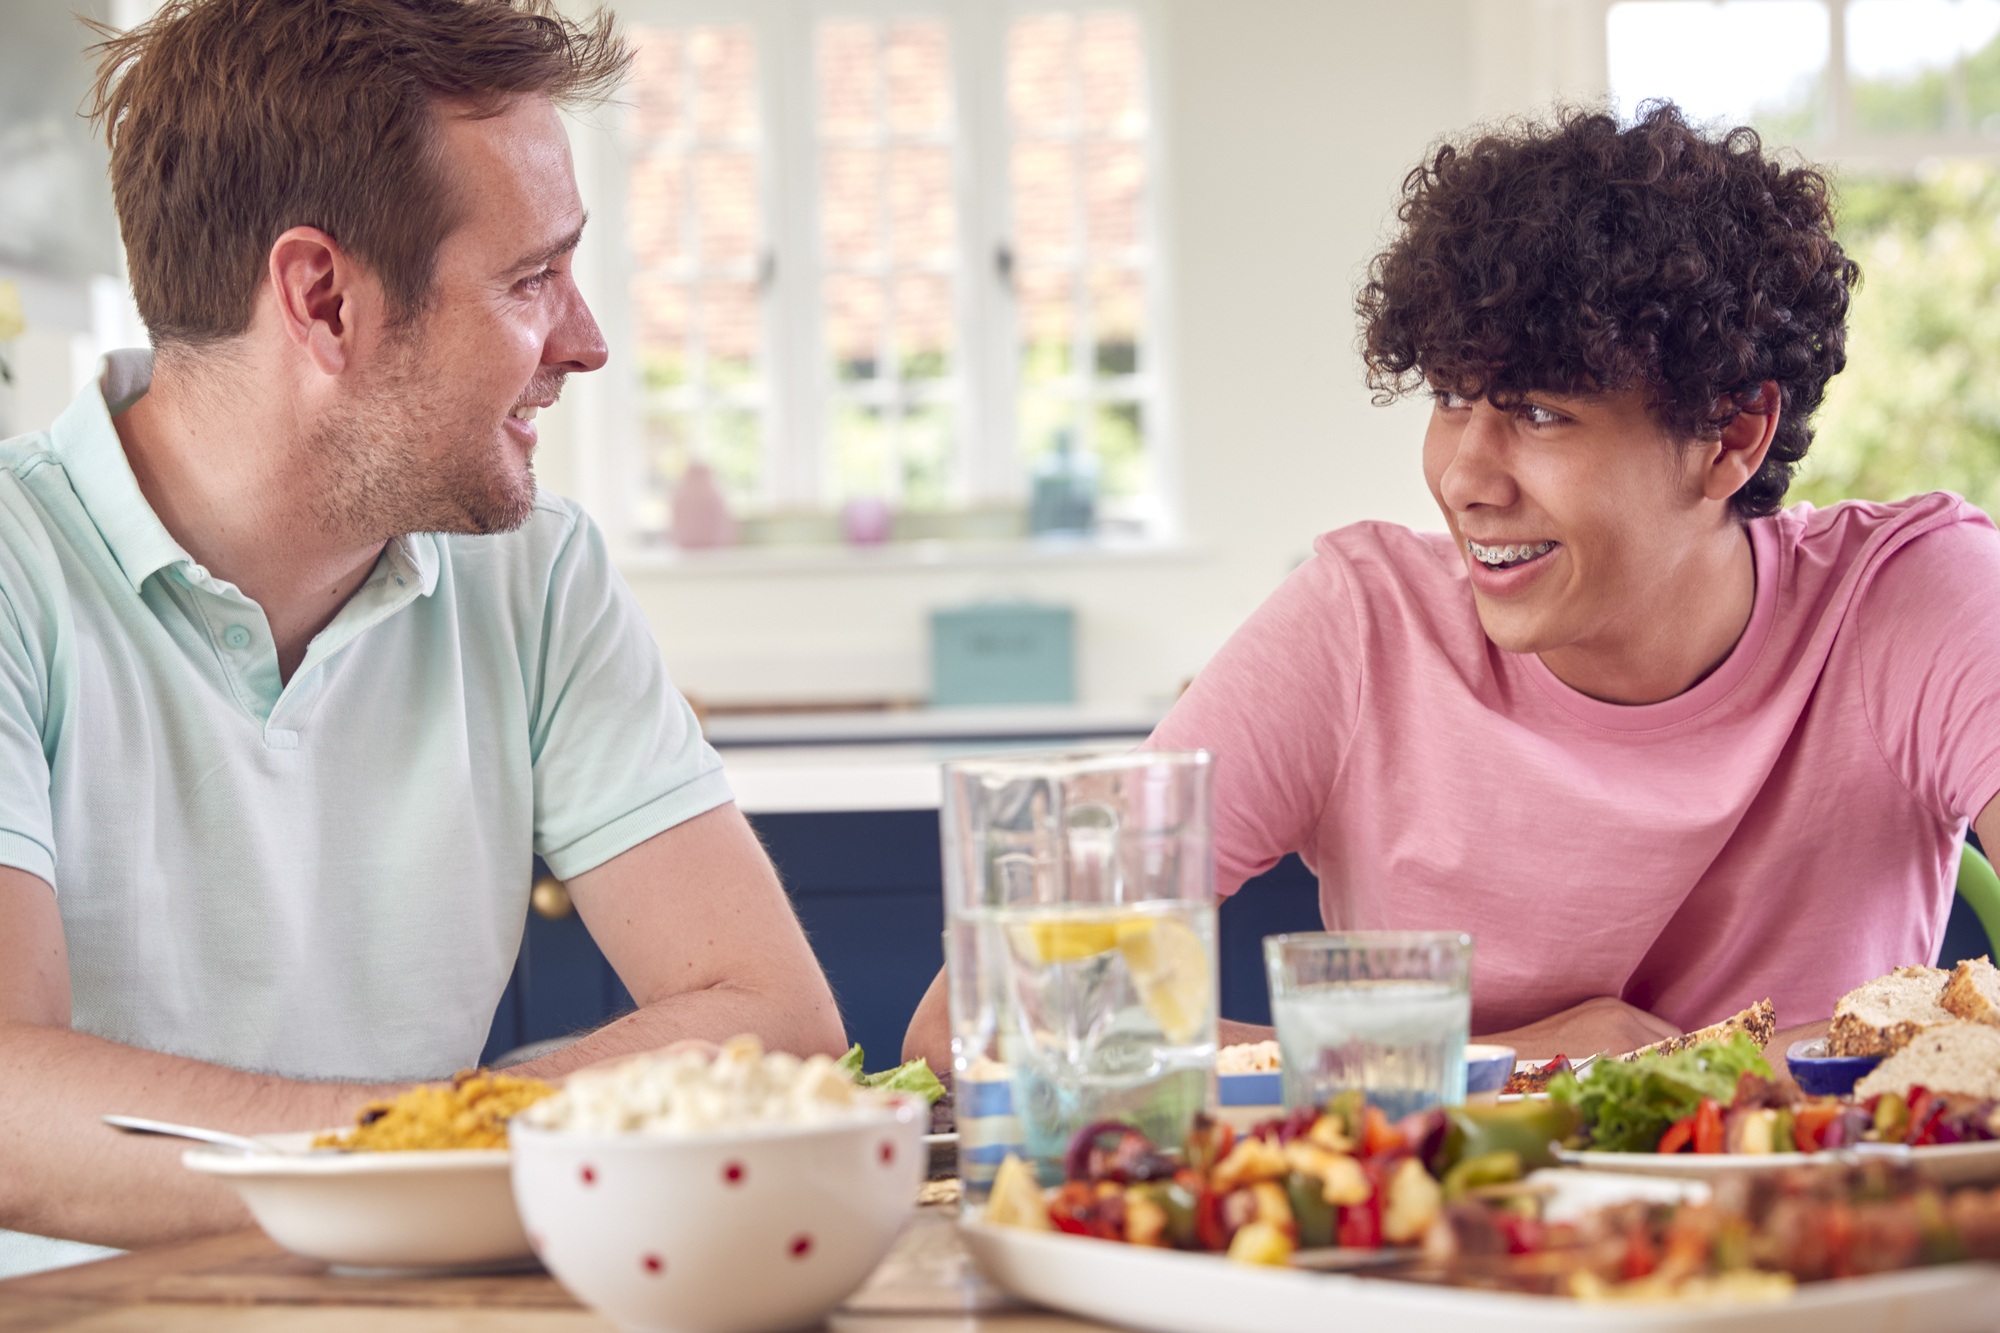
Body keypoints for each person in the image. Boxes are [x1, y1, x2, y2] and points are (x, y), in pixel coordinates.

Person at [0, 0, 844, 1275]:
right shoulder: (17, 569)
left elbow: (773, 1022)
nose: (587, 341)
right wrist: (419, 1155)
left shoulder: (537, 578)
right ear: (324, 298)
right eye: (530, 279)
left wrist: (424, 1159)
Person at [905, 103, 2000, 1078]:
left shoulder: (1909, 596)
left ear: (1730, 434)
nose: (1462, 478)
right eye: (1448, 397)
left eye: (1536, 412)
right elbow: (982, 1018)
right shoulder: (1357, 628)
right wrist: (1496, 1060)